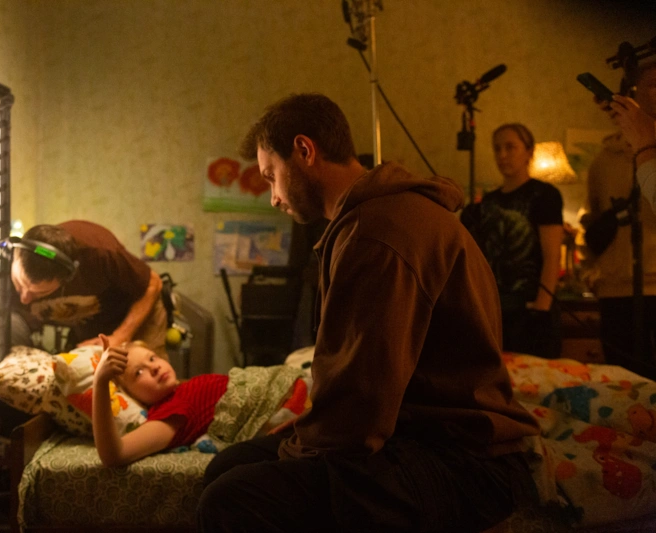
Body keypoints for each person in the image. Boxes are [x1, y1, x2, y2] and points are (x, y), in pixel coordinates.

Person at [198, 93, 540, 533]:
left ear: (304, 151)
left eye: (271, 176)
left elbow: (361, 400)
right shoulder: (367, 220)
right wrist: (298, 440)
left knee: (231, 499)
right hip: (414, 433)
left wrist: (299, 451)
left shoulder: (376, 233)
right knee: (229, 465)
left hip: (465, 459)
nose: (273, 198)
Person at [461, 124, 564, 359]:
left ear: (529, 152)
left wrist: (542, 307)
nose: (502, 155)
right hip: (495, 311)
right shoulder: (487, 203)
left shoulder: (545, 195)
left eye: (510, 147)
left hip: (532, 309)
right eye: (497, 148)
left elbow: (552, 256)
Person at [581, 61, 656, 378]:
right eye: (653, 85)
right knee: (621, 383)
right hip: (614, 290)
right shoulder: (602, 161)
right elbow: (592, 223)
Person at [10, 220, 168, 355]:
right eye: (19, 283)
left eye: (39, 293)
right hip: (93, 324)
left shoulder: (99, 253)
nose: (24, 299)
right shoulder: (3, 261)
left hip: (137, 310)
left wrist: (120, 337)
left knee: (146, 373)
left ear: (68, 277)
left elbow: (153, 283)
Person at [92, 335, 228, 466]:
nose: (154, 367)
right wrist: (101, 380)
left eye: (152, 358)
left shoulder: (180, 391)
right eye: (139, 372)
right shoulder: (170, 412)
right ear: (131, 395)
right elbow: (115, 455)